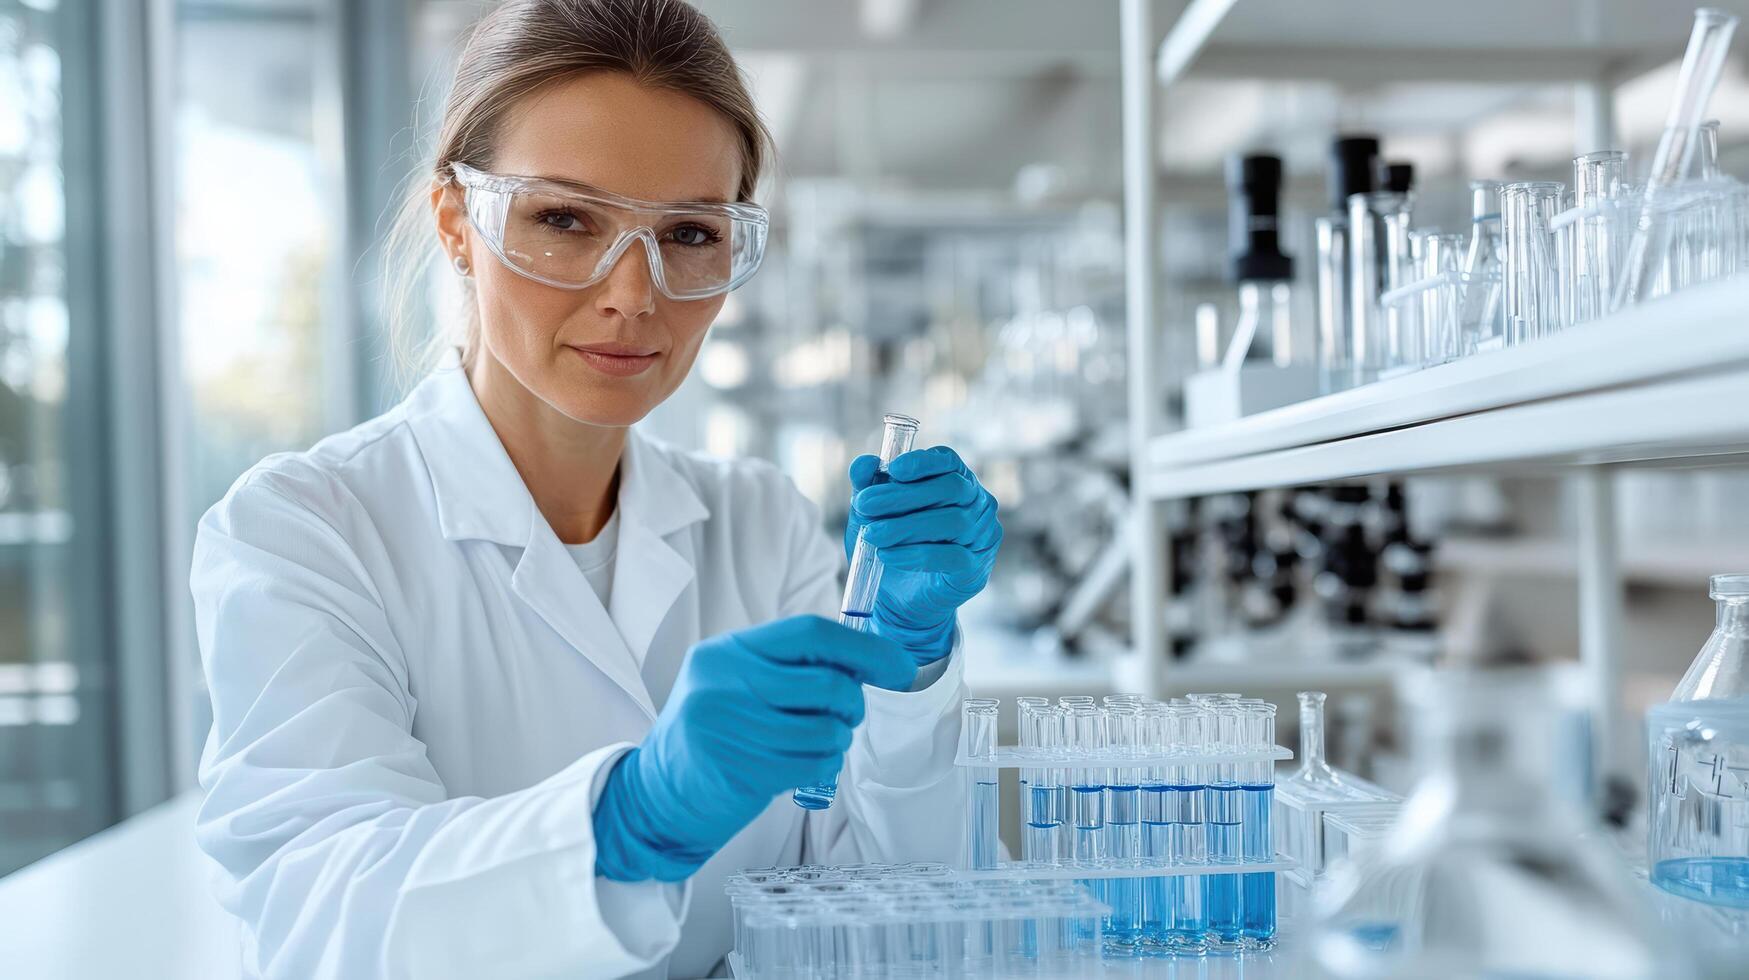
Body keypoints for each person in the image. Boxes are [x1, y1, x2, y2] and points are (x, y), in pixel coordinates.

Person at [188, 2, 1002, 977]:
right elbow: (321, 916)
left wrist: (910, 676)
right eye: (565, 219)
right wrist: (627, 819)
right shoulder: (303, 530)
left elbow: (897, 913)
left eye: (692, 232)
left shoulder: (764, 525)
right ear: (457, 223)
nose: (633, 291)